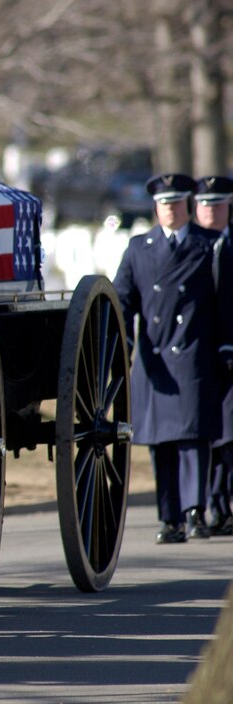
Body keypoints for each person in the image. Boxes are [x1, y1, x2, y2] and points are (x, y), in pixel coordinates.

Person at [113, 173, 223, 543]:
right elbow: (122, 300)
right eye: (164, 203)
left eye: (177, 202)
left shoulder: (210, 245)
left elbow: (225, 301)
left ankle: (195, 511)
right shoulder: (138, 248)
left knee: (193, 437)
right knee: (162, 442)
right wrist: (120, 343)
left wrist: (225, 346)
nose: (171, 209)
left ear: (188, 205)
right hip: (155, 356)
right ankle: (170, 517)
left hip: (193, 351)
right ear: (155, 207)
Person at [195, 175, 233, 535]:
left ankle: (222, 505)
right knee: (211, 436)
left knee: (228, 436)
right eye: (205, 204)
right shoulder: (193, 245)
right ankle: (212, 505)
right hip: (200, 352)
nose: (211, 211)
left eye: (218, 204)